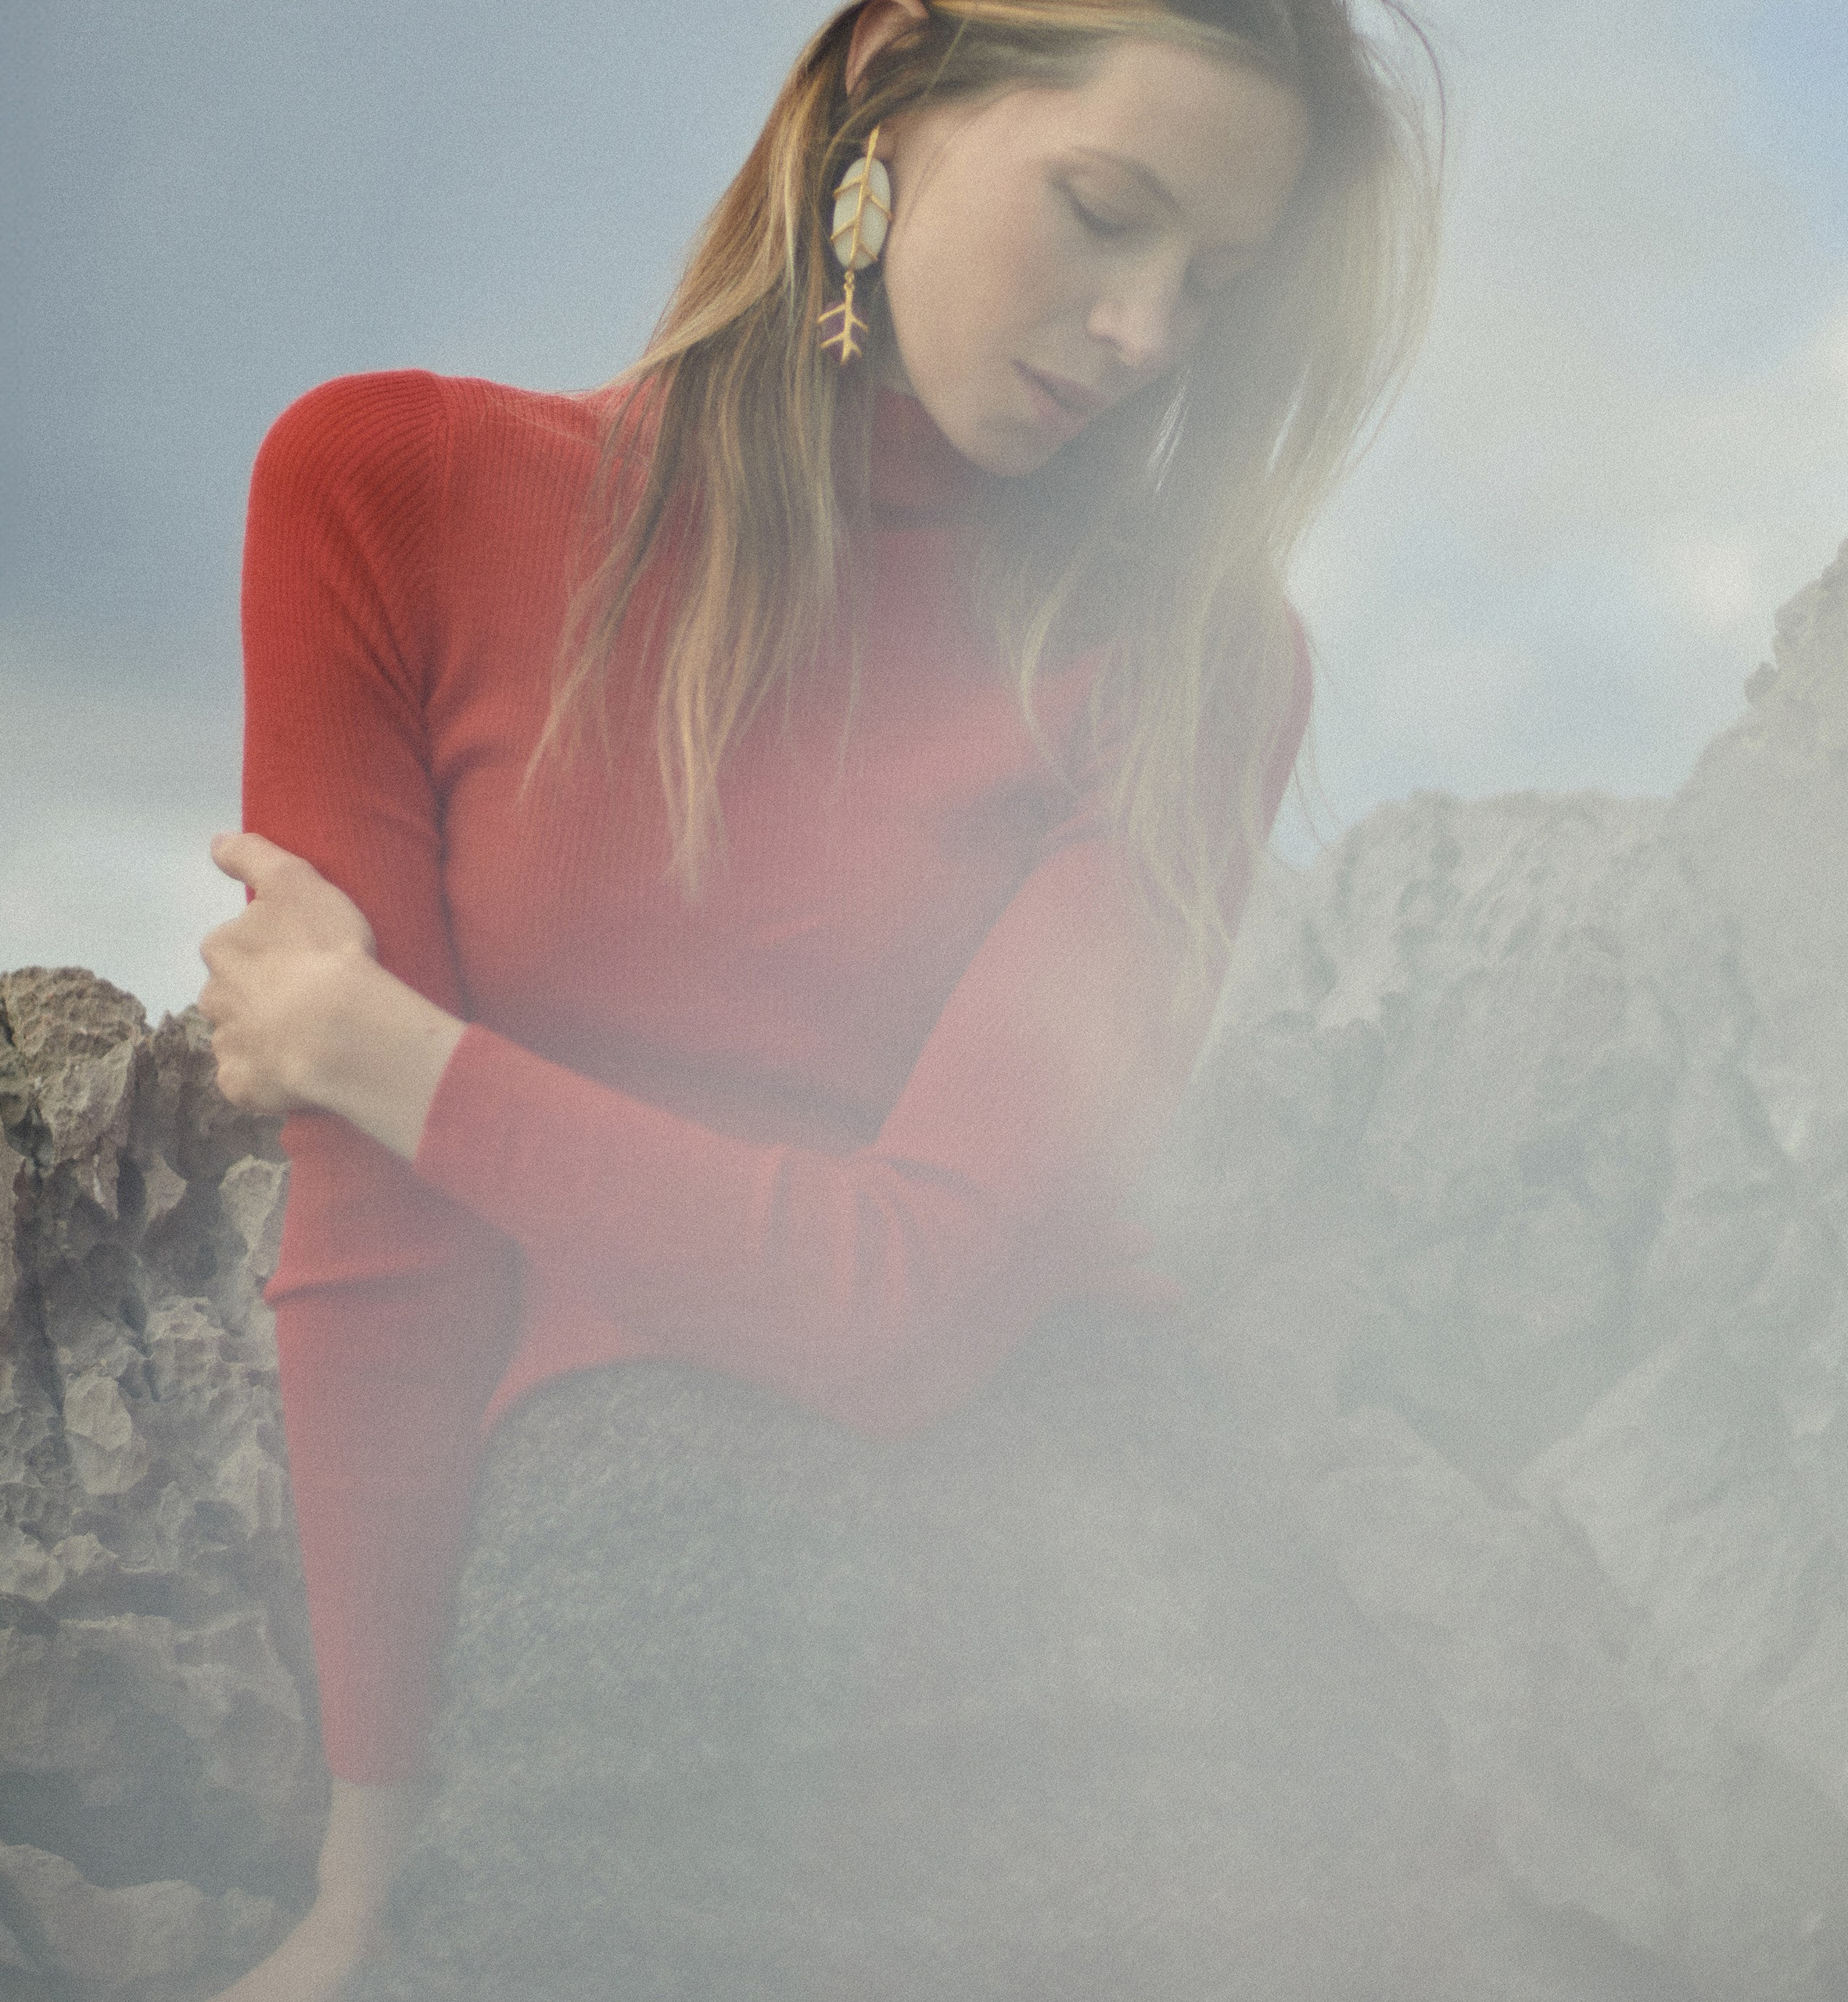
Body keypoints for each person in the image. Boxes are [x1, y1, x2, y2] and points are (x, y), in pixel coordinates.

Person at [194, 1, 1439, 1994]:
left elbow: (908, 1299)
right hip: (646, 1606)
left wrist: (387, 1054)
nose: (1144, 332)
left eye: (1213, 284)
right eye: (1100, 211)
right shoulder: (388, 488)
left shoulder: (1194, 659)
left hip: (1130, 1614)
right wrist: (366, 1864)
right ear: (884, 80)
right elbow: (380, 1249)